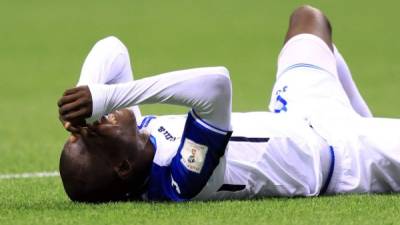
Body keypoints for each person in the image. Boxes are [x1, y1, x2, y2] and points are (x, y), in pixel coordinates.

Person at [58, 5, 400, 203]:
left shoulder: (136, 138)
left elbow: (112, 49)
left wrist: (84, 89)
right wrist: (103, 96)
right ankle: (372, 135)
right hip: (345, 157)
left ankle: (364, 119)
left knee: (308, 19)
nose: (96, 122)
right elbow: (216, 85)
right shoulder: (182, 179)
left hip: (300, 109)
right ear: (121, 168)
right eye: (94, 135)